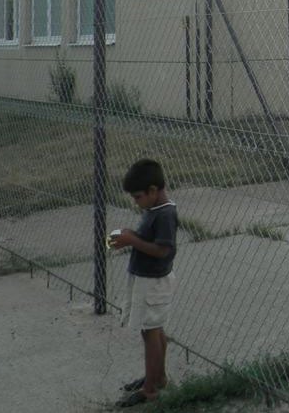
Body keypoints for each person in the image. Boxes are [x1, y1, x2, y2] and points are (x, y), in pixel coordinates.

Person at [110, 158, 179, 408]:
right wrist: (132, 235)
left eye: (138, 197)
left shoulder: (166, 214)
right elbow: (150, 241)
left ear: (152, 190)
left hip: (154, 283)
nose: (135, 202)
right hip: (146, 280)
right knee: (152, 329)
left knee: (151, 332)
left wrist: (132, 241)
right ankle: (157, 377)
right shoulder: (154, 211)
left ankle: (150, 390)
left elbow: (162, 250)